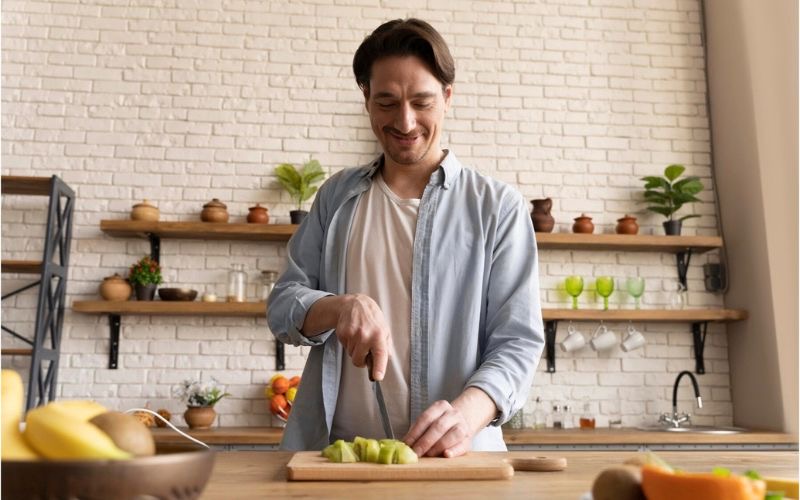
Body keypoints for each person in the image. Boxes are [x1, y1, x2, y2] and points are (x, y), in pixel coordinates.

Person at [267, 18, 544, 458]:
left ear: (448, 98)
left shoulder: (498, 207)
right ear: (366, 101)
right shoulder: (336, 196)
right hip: (339, 461)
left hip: (458, 459)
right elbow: (283, 306)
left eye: (422, 101)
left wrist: (467, 414)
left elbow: (518, 341)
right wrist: (339, 306)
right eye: (387, 102)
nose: (405, 121)